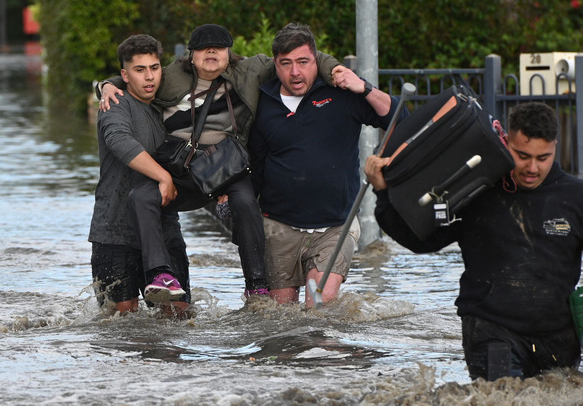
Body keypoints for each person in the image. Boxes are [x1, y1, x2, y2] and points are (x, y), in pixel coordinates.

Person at [98, 24, 342, 299]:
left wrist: (335, 70)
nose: (211, 52)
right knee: (141, 195)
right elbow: (138, 75)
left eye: (219, 47)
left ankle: (256, 284)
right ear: (191, 55)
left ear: (229, 53)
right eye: (203, 48)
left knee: (246, 201)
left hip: (225, 167)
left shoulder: (251, 70)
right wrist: (106, 85)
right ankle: (159, 274)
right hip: (180, 167)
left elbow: (303, 57)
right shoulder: (169, 76)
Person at [365, 102, 583, 380]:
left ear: (555, 147)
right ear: (506, 141)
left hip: (558, 338)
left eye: (543, 158)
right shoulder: (477, 187)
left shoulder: (576, 198)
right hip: (492, 331)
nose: (532, 167)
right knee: (501, 398)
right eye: (522, 155)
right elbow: (421, 241)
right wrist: (383, 195)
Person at [248, 23, 409, 308]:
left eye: (302, 62)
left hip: (335, 226)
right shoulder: (263, 100)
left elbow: (398, 117)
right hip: (278, 227)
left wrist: (364, 87)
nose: (295, 72)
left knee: (317, 309)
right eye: (286, 64)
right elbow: (257, 165)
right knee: (279, 321)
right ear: (275, 64)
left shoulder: (341, 94)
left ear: (316, 61)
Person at [89, 34, 190, 316]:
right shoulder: (115, 104)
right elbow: (119, 141)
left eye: (155, 68)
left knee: (179, 315)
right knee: (121, 322)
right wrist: (163, 177)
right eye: (139, 70)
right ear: (125, 74)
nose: (149, 77)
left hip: (164, 227)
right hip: (114, 231)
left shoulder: (168, 104)